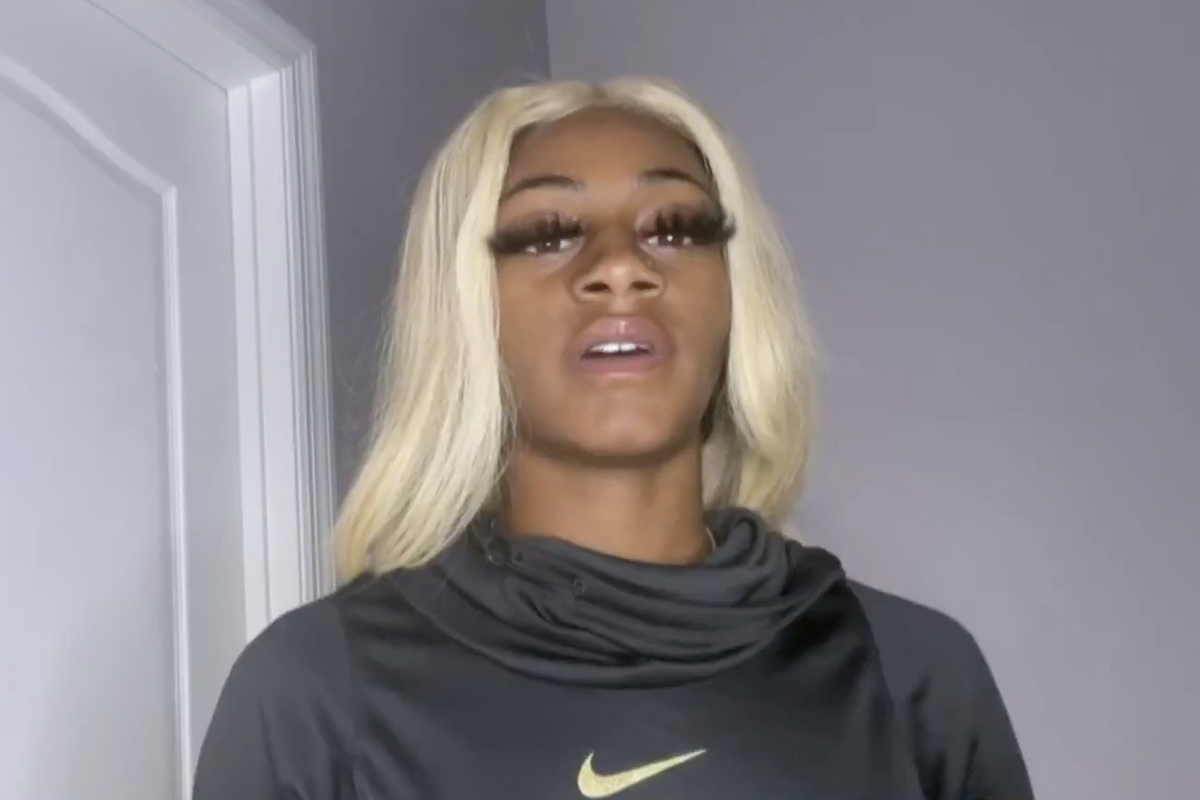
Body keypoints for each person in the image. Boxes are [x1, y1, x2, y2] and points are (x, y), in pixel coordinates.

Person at [192, 76, 1034, 800]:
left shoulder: (913, 672)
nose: (622, 265)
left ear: (736, 297)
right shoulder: (313, 690)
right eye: (547, 233)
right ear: (465, 306)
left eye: (674, 227)